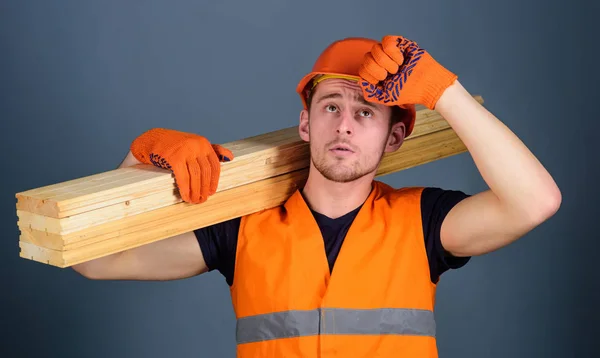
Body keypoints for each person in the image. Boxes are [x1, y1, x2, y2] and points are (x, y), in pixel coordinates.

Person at [72, 35, 562, 357]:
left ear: (394, 138)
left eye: (367, 111)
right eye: (331, 106)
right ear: (306, 122)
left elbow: (535, 202)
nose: (345, 124)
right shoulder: (241, 227)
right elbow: (94, 260)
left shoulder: (424, 221)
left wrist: (443, 91)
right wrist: (142, 157)